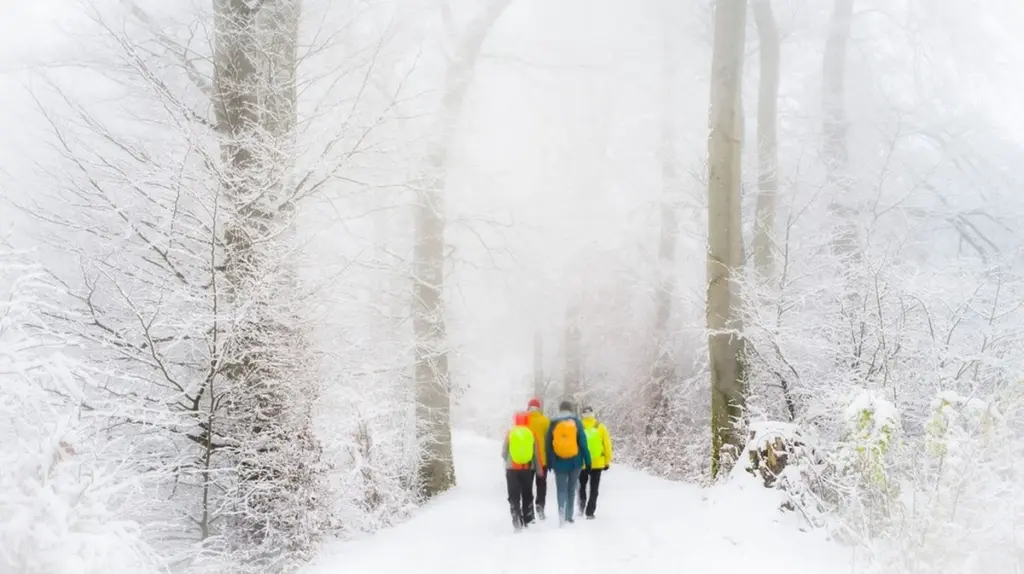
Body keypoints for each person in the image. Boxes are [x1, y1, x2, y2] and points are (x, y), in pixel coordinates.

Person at [545, 400, 591, 525]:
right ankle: (569, 516)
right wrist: (588, 460)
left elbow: (548, 445)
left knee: (561, 489)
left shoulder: (553, 423)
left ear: (560, 409)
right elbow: (583, 443)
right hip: (575, 462)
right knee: (571, 488)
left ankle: (561, 513)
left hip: (559, 462)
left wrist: (550, 462)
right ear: (570, 409)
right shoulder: (576, 422)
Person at [502, 411, 545, 531]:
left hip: (511, 469)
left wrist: (509, 460)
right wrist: (539, 471)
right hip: (527, 469)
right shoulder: (531, 433)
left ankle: (516, 516)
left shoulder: (510, 433)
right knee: (527, 494)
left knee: (513, 495)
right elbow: (536, 454)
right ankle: (528, 518)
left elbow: (504, 452)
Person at [578, 405, 612, 519]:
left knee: (582, 486)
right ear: (593, 414)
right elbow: (607, 445)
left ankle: (581, 507)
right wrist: (607, 461)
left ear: (582, 415)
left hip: (583, 462)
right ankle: (590, 512)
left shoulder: (579, 427)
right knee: (594, 488)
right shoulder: (600, 426)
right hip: (597, 462)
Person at [526, 397, 550, 520]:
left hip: (527, 459)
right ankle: (540, 506)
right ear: (539, 408)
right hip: (542, 459)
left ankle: (529, 511)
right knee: (541, 485)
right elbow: (549, 440)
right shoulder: (545, 421)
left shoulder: (524, 420)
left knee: (527, 486)